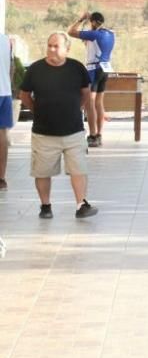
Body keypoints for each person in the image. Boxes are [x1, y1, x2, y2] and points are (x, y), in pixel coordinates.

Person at [19, 33, 98, 219]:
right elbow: (24, 95)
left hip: (73, 131)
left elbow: (85, 93)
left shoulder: (76, 68)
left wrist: (76, 108)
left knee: (78, 169)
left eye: (56, 46)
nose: (51, 49)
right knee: (42, 171)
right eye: (49, 45)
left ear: (67, 49)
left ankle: (81, 204)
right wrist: (37, 110)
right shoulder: (35, 69)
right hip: (44, 133)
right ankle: (45, 206)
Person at [67, 11, 115, 148]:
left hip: (93, 69)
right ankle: (99, 134)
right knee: (99, 103)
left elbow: (70, 32)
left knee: (90, 103)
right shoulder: (110, 34)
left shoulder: (93, 34)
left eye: (90, 22)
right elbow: (91, 45)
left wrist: (81, 19)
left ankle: (92, 135)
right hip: (105, 69)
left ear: (93, 22)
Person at [0, 34, 13, 191]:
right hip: (5, 93)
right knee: (2, 134)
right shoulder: (5, 39)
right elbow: (12, 68)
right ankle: (1, 178)